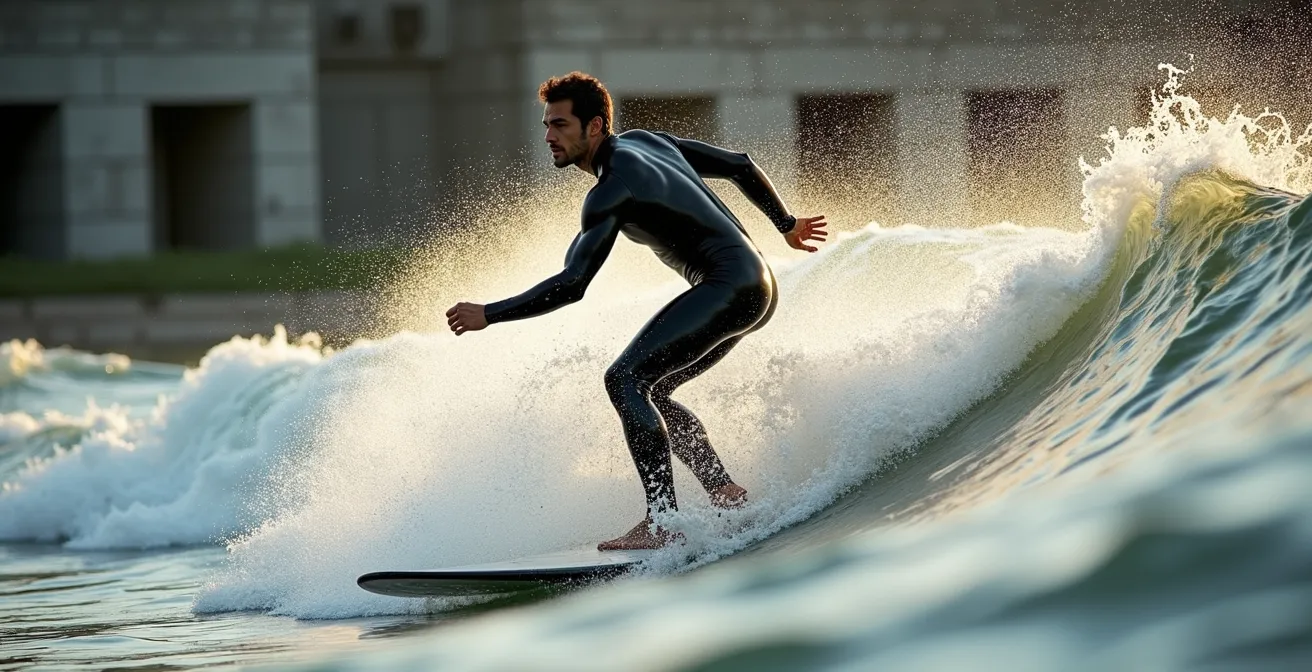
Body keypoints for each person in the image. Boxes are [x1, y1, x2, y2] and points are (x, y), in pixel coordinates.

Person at [446, 72, 828, 550]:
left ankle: (662, 521)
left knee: (624, 380)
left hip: (728, 285)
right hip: (758, 284)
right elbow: (739, 164)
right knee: (654, 389)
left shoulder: (610, 191)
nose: (548, 136)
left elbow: (572, 284)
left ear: (596, 126)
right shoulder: (649, 142)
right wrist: (786, 224)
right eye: (546, 125)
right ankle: (724, 491)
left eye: (561, 125)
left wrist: (490, 312)